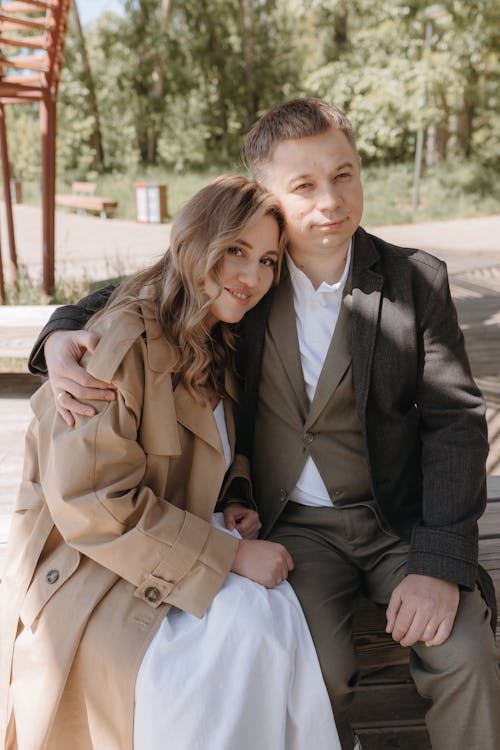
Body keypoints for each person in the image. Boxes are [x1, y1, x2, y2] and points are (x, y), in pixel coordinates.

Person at [25, 99, 499, 750]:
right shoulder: (248, 277)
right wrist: (58, 332)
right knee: (311, 670)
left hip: (399, 519)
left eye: (345, 174)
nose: (330, 200)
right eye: (303, 185)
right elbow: (143, 287)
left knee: (466, 654)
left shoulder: (416, 281)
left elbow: (455, 422)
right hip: (294, 525)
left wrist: (440, 563)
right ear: (267, 196)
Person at [0, 174, 343, 750]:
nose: (252, 277)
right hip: (97, 560)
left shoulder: (219, 334)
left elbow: (217, 442)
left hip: (171, 532)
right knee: (228, 646)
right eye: (235, 250)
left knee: (268, 622)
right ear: (196, 241)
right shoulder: (120, 343)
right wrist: (230, 554)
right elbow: (90, 501)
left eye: (266, 260)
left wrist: (236, 498)